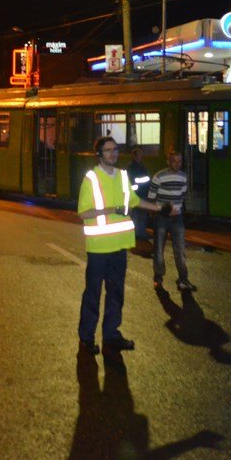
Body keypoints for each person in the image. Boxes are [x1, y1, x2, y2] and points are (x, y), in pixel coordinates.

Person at [77, 136, 165, 355]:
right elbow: (83, 212)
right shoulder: (91, 178)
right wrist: (112, 209)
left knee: (116, 293)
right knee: (93, 294)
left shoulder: (123, 176)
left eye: (115, 149)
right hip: (98, 248)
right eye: (108, 150)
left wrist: (159, 208)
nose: (113, 154)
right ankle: (86, 339)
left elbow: (135, 201)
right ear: (99, 154)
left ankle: (111, 335)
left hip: (119, 248)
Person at [148, 150, 195, 292]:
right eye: (174, 161)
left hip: (177, 217)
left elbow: (182, 195)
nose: (178, 164)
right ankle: (158, 277)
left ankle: (183, 279)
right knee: (158, 249)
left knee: (180, 250)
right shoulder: (159, 177)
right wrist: (162, 209)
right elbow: (151, 197)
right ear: (168, 162)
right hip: (162, 217)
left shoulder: (183, 177)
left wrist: (178, 209)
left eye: (180, 161)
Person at [127, 147, 151, 241]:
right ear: (134, 156)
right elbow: (136, 181)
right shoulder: (133, 168)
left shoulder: (139, 166)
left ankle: (140, 233)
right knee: (138, 215)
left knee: (141, 215)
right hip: (138, 195)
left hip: (142, 193)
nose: (142, 156)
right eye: (140, 155)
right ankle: (139, 235)